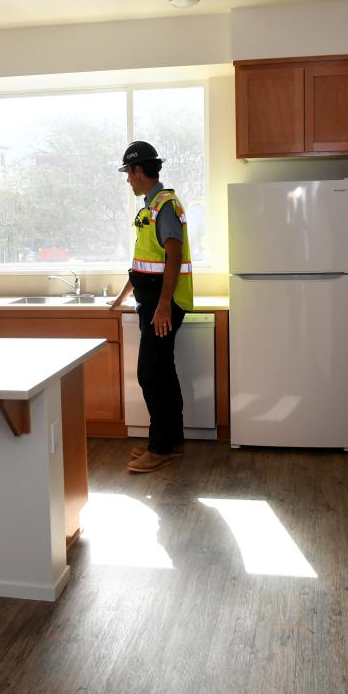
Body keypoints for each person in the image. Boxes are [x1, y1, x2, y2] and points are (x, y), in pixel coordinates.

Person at [109, 141, 194, 473]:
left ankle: (160, 448)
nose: (127, 180)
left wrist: (162, 306)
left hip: (164, 306)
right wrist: (122, 296)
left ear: (138, 170)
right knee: (163, 372)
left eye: (128, 174)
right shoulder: (149, 206)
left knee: (150, 374)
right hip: (154, 303)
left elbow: (173, 255)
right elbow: (147, 263)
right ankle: (171, 441)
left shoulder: (164, 205)